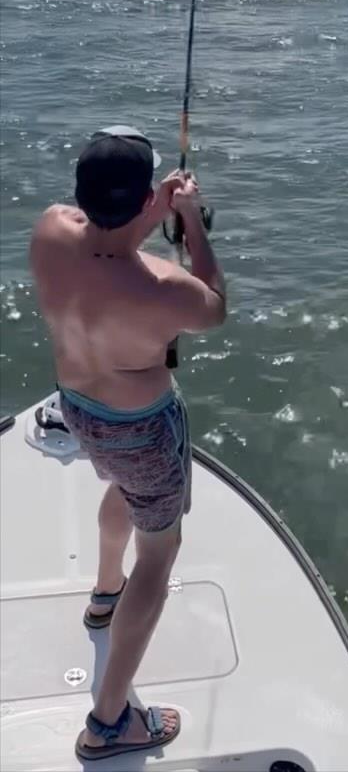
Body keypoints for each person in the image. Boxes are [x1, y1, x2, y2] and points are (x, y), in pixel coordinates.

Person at [29, 125, 226, 761]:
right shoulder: (164, 289)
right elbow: (214, 305)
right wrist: (189, 219)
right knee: (159, 555)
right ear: (145, 201)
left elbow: (104, 246)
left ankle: (103, 593)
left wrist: (147, 210)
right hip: (142, 428)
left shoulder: (49, 230)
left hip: (78, 406)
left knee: (120, 484)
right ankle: (110, 720)